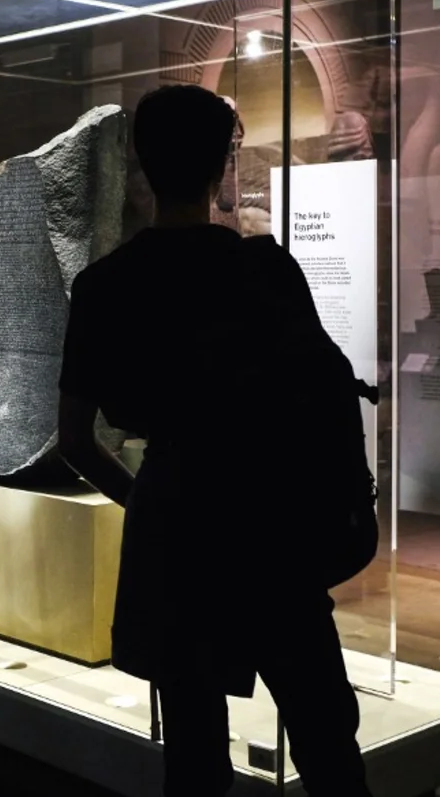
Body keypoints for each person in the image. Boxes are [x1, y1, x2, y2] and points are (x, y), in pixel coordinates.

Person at [57, 84, 371, 797]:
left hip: (175, 529)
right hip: (270, 526)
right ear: (221, 163)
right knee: (326, 739)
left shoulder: (105, 284)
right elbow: (324, 391)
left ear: (142, 162)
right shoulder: (262, 269)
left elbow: (75, 436)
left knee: (193, 757)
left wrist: (146, 497)